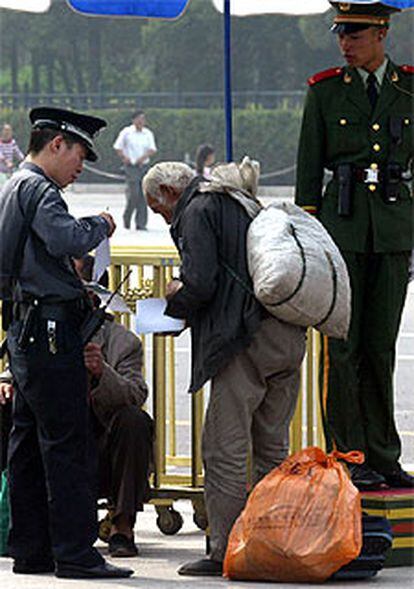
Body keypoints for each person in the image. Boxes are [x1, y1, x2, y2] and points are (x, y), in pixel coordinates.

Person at [142, 161, 306, 576]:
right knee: (272, 448)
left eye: (158, 208)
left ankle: (226, 549)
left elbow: (201, 282)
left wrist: (174, 299)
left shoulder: (198, 209)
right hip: (286, 335)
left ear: (169, 190)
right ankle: (270, 543)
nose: (162, 218)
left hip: (244, 340)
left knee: (224, 449)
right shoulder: (239, 201)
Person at [0, 106, 133, 578]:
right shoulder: (41, 190)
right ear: (57, 144)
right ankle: (77, 554)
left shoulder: (15, 185)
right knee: (67, 446)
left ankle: (31, 549)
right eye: (79, 154)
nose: (81, 167)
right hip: (51, 333)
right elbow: (65, 239)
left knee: (29, 447)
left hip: (24, 330)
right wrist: (99, 224)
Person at [295, 2, 414, 490]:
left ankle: (385, 454)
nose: (345, 43)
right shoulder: (324, 91)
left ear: (381, 33)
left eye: (356, 33)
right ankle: (348, 454)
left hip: (391, 229)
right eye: (341, 33)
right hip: (341, 228)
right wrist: (310, 236)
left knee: (380, 346)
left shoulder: (408, 88)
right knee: (342, 349)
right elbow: (307, 172)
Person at [74, 255, 153, 558]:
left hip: (102, 443)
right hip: (60, 435)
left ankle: (122, 526)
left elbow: (135, 393)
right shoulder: (50, 327)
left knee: (134, 421)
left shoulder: (123, 341)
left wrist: (101, 372)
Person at [113, 110, 157, 230]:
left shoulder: (148, 133)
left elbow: (152, 149)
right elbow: (118, 147)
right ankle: (127, 217)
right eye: (139, 119)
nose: (141, 121)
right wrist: (124, 157)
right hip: (131, 167)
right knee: (134, 194)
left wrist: (143, 158)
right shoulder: (126, 132)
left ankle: (141, 223)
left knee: (143, 195)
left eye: (143, 119)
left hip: (143, 166)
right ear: (134, 120)